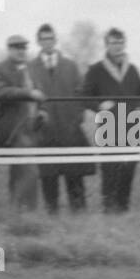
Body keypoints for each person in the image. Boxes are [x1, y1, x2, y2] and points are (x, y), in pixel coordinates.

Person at [82, 27, 140, 212]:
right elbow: (84, 96)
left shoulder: (132, 70)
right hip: (108, 129)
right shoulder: (96, 70)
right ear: (106, 45)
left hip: (131, 129)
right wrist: (99, 105)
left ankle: (124, 212)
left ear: (124, 44)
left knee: (128, 172)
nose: (117, 46)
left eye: (120, 42)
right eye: (113, 43)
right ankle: (109, 213)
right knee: (110, 172)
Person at [29, 24, 91, 213]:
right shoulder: (31, 68)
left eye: (51, 38)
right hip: (45, 135)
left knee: (75, 182)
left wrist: (77, 118)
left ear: (55, 40)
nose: (48, 42)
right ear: (39, 41)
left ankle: (79, 223)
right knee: (49, 182)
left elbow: (81, 94)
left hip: (70, 132)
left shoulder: (70, 66)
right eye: (44, 39)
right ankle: (53, 222)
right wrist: (37, 119)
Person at [0, 35, 44, 210]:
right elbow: (0, 92)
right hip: (7, 128)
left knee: (24, 170)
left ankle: (23, 211)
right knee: (26, 169)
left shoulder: (30, 71)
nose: (21, 51)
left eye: (23, 48)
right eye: (16, 48)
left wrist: (42, 111)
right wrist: (28, 93)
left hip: (30, 128)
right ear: (9, 50)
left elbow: (40, 94)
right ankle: (17, 210)